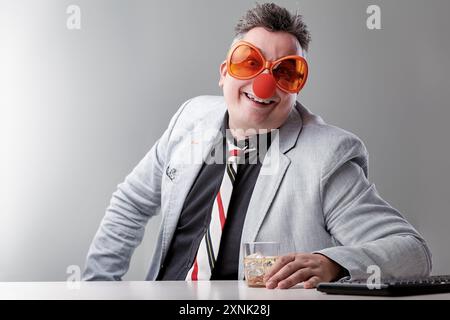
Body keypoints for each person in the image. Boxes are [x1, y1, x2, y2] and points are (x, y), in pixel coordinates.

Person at [83, 3, 431, 289]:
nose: (264, 84)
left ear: (297, 88)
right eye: (250, 62)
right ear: (224, 72)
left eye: (286, 72)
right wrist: (98, 288)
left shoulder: (327, 158)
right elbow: (130, 203)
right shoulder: (189, 119)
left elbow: (412, 252)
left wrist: (333, 264)